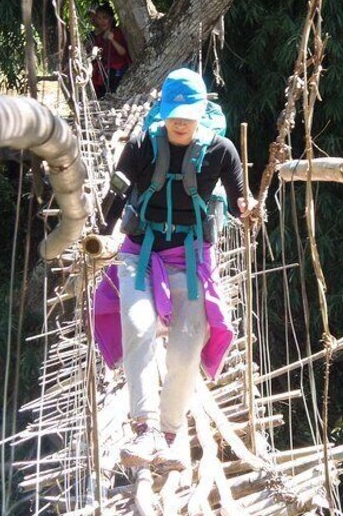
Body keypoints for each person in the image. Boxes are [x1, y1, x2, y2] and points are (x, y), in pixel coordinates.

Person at [93, 69, 255, 471]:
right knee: (138, 322)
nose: (181, 122)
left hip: (190, 256)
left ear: (202, 112)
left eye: (189, 114)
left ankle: (169, 433)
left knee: (187, 345)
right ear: (163, 111)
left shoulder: (221, 150)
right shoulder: (142, 144)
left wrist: (249, 209)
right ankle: (144, 428)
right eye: (174, 113)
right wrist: (97, 236)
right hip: (140, 253)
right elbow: (116, 193)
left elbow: (240, 197)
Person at [86, 4, 131, 98]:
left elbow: (123, 52)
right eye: (99, 18)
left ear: (110, 19)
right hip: (104, 69)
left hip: (117, 68)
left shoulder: (116, 32)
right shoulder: (99, 35)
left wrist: (112, 40)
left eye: (105, 18)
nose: (102, 21)